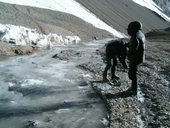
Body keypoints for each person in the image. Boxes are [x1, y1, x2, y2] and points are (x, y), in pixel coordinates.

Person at [126, 21, 145, 95]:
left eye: (129, 28)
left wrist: (128, 54)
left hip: (135, 58)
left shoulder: (135, 36)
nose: (128, 30)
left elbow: (134, 47)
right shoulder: (141, 34)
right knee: (134, 73)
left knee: (132, 74)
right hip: (139, 58)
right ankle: (133, 88)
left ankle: (134, 90)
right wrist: (128, 45)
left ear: (133, 28)